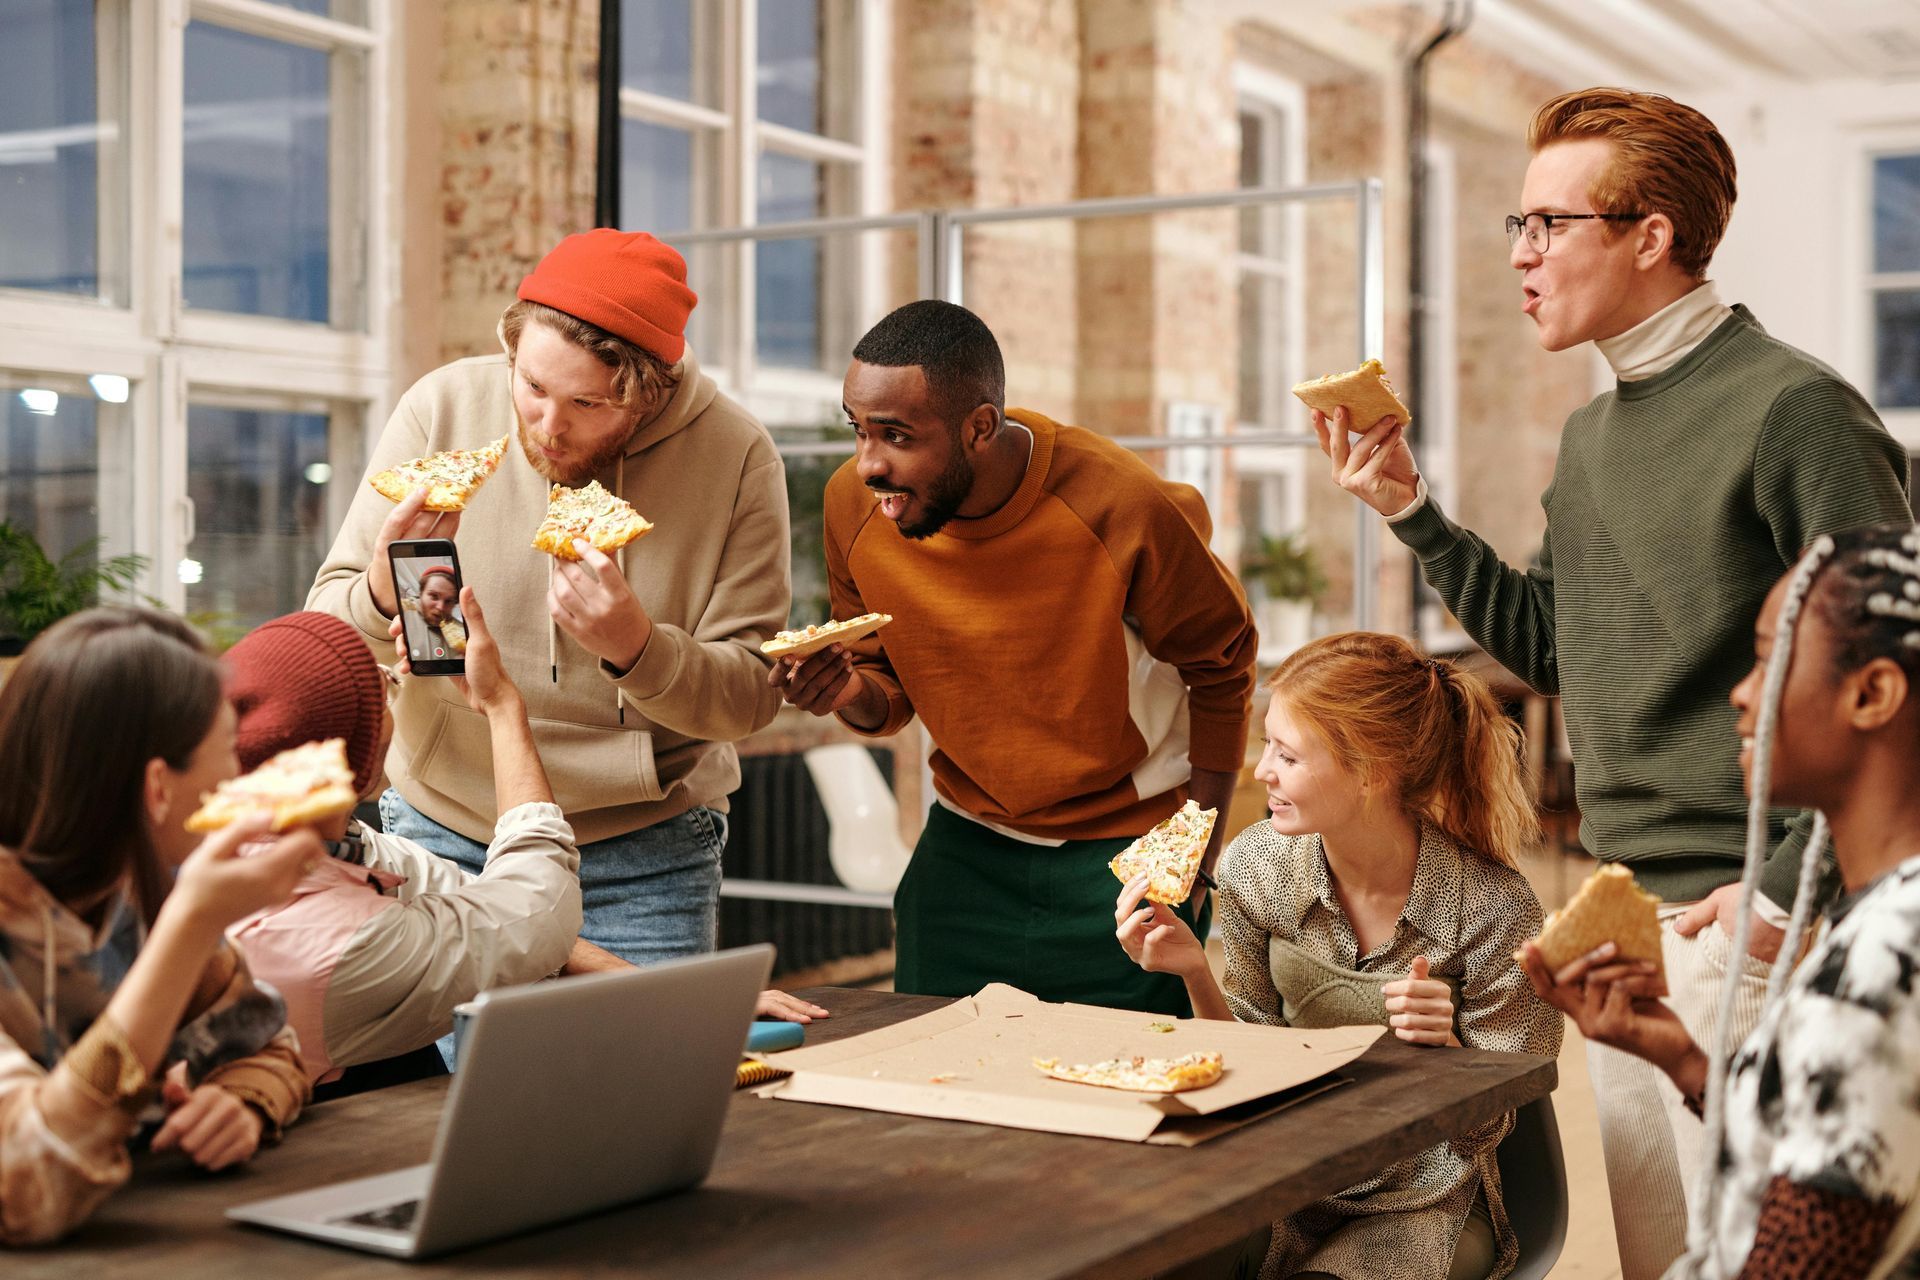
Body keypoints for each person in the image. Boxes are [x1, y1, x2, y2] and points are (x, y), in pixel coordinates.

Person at [1310, 87, 1911, 1277]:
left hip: (1760, 918)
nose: (1523, 257)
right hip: (1631, 917)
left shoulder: (1795, 410)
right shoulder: (1592, 437)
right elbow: (1549, 646)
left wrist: (1788, 893)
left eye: (1551, 224)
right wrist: (1415, 514)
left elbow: (1899, 672)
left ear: (1652, 237)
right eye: (1516, 227)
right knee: (1667, 1256)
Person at [310, 229, 792, 966]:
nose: (548, 426)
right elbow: (327, 631)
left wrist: (640, 648)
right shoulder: (441, 409)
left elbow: (752, 697)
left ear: (649, 393)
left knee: (649, 1078)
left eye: (586, 403)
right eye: (531, 387)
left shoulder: (738, 457)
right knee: (447, 1085)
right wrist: (382, 591)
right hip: (445, 829)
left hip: (643, 851)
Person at [772, 300, 1258, 1016]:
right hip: (965, 848)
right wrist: (844, 690)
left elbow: (1223, 669)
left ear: (980, 428)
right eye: (859, 430)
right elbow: (887, 692)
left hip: (1125, 851)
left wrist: (1195, 860)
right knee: (939, 1090)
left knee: (1132, 1103)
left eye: (897, 436)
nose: (869, 463)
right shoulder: (861, 507)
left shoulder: (1122, 505)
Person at [1522, 523, 1920, 1278]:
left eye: (1768, 660)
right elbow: (1824, 1141)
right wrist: (1677, 1055)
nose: (1740, 693)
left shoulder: (1880, 968)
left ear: (1872, 693)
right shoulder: (1881, 919)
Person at [1117, 633, 1561, 1280]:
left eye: (1288, 756)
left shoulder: (1495, 909)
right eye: (1267, 744)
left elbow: (1488, 1126)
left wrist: (1448, 1055)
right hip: (1277, 1184)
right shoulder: (1255, 866)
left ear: (1372, 772)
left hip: (1422, 1207)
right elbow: (1248, 1075)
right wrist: (1192, 970)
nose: (1260, 770)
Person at [0, 608, 315, 1245]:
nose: (239, 778)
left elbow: (267, 1043)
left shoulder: (133, 890)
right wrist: (190, 924)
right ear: (157, 788)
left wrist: (242, 1101)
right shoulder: (172, 907)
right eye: (228, 751)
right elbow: (23, 1190)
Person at [222, 603, 584, 1087]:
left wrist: (650, 991)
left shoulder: (296, 841)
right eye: (387, 688)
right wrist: (501, 706)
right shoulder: (345, 941)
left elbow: (474, 905)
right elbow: (539, 908)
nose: (393, 680)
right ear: (363, 760)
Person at [412, 567, 466, 656]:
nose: (440, 607)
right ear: (420, 593)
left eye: (448, 601)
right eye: (434, 596)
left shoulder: (463, 633)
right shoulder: (404, 614)